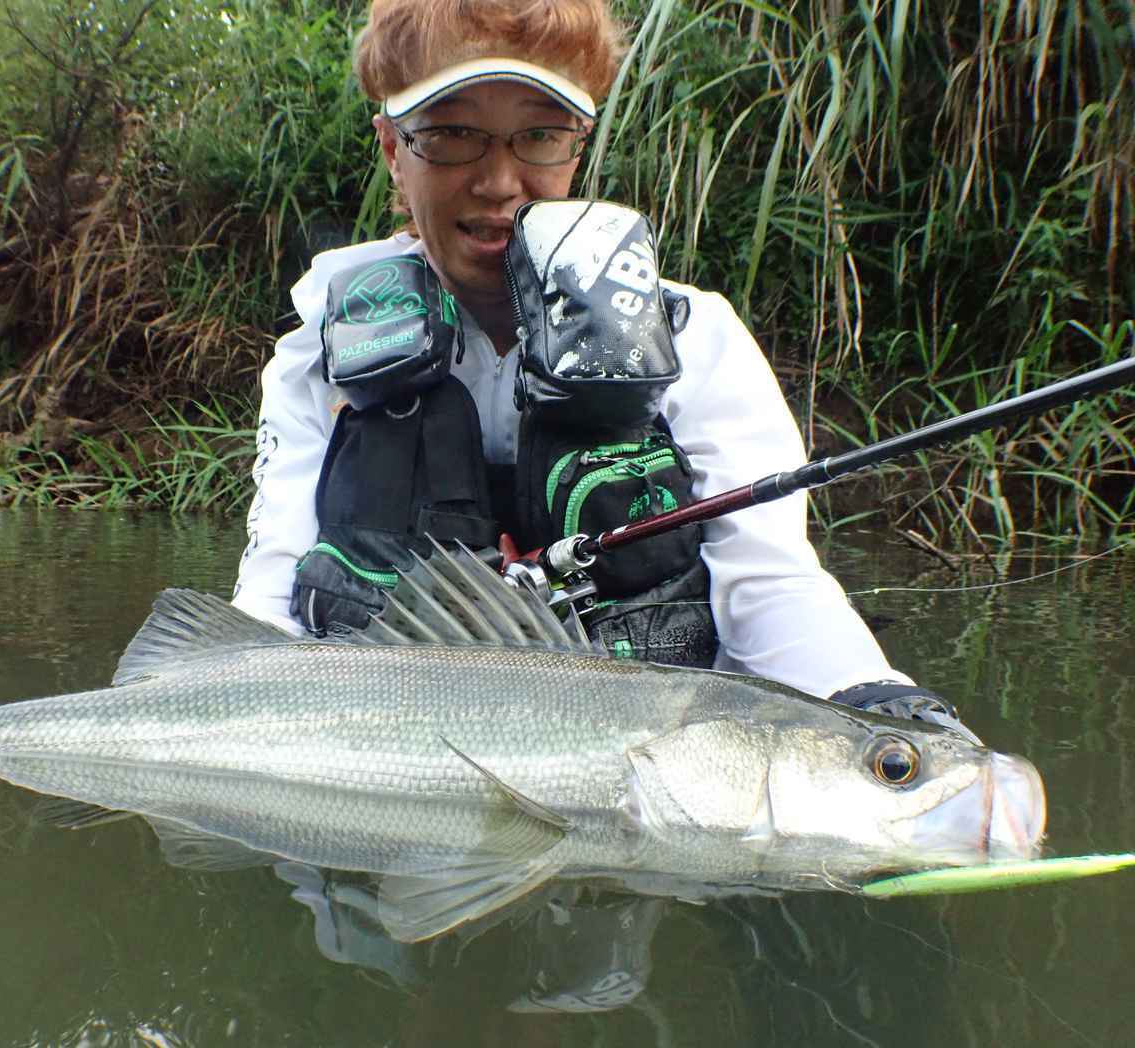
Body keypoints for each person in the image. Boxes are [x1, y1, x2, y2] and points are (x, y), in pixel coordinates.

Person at [231, 0, 967, 729]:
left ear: (577, 145)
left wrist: (876, 703)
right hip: (378, 749)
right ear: (394, 148)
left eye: (539, 136)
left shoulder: (694, 336)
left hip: (643, 766)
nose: (498, 181)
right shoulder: (319, 348)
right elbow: (276, 585)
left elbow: (770, 582)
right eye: (452, 134)